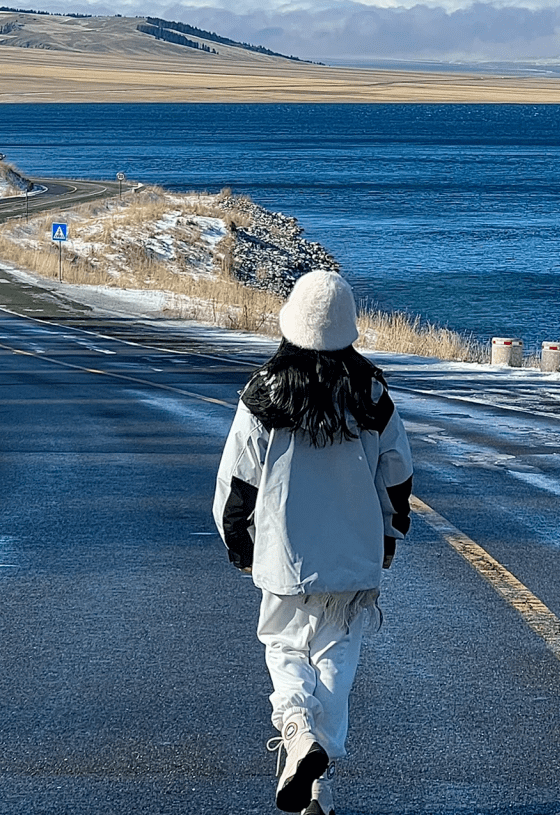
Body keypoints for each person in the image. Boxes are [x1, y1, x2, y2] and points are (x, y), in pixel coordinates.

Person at [213, 270, 413, 815]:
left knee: (283, 647)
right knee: (336, 659)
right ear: (349, 326)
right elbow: (396, 473)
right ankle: (316, 784)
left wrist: (237, 538)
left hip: (284, 554)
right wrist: (390, 535)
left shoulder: (265, 391)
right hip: (352, 555)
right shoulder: (371, 392)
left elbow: (239, 479)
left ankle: (298, 731)